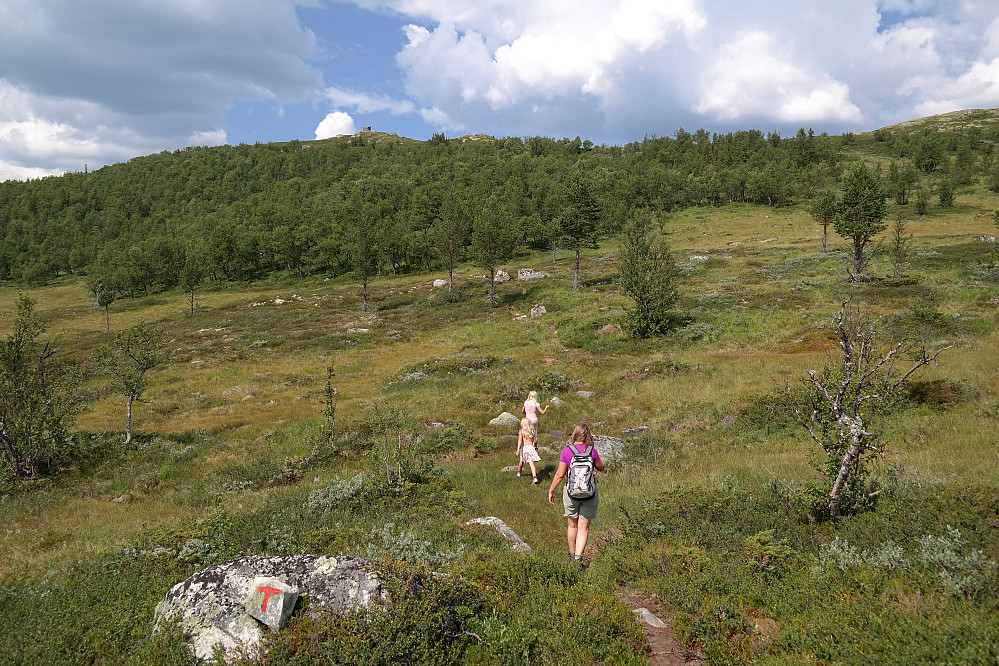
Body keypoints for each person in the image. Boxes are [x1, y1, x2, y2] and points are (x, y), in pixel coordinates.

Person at [548, 424, 605, 563]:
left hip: (571, 493)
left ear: (574, 434)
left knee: (572, 525)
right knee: (583, 528)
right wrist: (593, 450)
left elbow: (560, 474)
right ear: (588, 435)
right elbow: (601, 467)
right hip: (589, 493)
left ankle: (572, 557)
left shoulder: (566, 451)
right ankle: (579, 558)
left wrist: (551, 490)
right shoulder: (591, 450)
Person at [516, 417, 541, 484]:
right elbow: (535, 441)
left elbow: (520, 440)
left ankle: (519, 472)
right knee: (531, 463)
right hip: (531, 448)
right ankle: (534, 477)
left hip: (524, 448)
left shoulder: (521, 431)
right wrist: (535, 446)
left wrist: (518, 449)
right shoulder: (531, 431)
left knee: (521, 461)